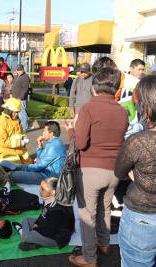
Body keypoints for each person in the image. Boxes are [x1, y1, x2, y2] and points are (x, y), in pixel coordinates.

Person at [65, 67, 128, 267]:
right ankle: (105, 243)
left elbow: (81, 143)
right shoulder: (122, 110)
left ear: (93, 87)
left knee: (87, 214)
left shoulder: (89, 108)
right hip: (114, 170)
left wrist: (71, 131)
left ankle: (90, 258)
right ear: (116, 88)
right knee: (105, 208)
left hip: (91, 170)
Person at [114, 75, 156, 267]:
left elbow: (119, 171)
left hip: (142, 218)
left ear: (147, 107)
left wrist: (136, 176)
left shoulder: (138, 141)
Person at [12, 177, 75, 250]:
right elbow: (43, 214)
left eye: (43, 189)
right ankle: (33, 239)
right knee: (26, 220)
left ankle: (26, 235)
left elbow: (49, 232)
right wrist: (37, 222)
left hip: (55, 238)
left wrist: (36, 229)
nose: (40, 191)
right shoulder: (48, 199)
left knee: (27, 236)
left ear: (53, 192)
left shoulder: (57, 210)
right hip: (47, 225)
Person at [0, 121, 66, 185]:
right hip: (43, 170)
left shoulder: (54, 146)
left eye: (45, 131)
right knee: (10, 165)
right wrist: (40, 146)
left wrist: (26, 169)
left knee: (14, 175)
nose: (43, 133)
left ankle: (1, 172)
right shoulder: (52, 142)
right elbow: (42, 159)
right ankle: (3, 165)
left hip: (47, 176)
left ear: (51, 134)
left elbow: (40, 165)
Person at [0, 97, 31, 164]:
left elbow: (20, 134)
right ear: (8, 111)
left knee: (30, 166)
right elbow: (0, 141)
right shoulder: (1, 123)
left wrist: (23, 138)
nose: (17, 114)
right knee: (20, 170)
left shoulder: (16, 121)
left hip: (18, 152)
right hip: (6, 154)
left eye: (17, 112)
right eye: (15, 112)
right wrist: (20, 143)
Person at [118, 59, 146, 139]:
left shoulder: (122, 78)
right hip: (132, 118)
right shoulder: (136, 82)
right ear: (131, 68)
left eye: (142, 70)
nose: (141, 72)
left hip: (128, 116)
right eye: (139, 69)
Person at [11, 65, 30, 132]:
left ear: (23, 70)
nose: (19, 71)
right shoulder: (16, 76)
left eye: (20, 70)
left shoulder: (25, 77)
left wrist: (20, 97)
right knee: (18, 113)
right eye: (18, 70)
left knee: (22, 113)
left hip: (20, 99)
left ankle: (24, 128)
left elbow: (25, 88)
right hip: (15, 98)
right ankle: (20, 126)